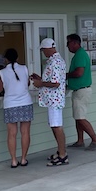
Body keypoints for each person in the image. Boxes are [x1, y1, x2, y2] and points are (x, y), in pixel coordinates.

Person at [30, 38, 68, 166]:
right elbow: (53, 80)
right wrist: (40, 79)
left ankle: (63, 155)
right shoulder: (55, 61)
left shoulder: (55, 62)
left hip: (55, 100)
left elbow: (56, 83)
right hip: (52, 99)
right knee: (54, 125)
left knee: (57, 126)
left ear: (48, 49)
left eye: (43, 50)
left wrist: (40, 83)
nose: (43, 52)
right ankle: (60, 151)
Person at [65, 33, 96, 150]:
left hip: (81, 91)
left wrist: (64, 75)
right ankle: (80, 140)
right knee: (78, 117)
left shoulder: (80, 55)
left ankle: (95, 139)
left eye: (68, 43)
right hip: (78, 90)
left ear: (75, 43)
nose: (67, 46)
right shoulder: (79, 55)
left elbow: (79, 73)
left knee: (80, 117)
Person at [0, 48, 32, 167]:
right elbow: (27, 84)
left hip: (10, 104)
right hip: (25, 103)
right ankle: (23, 159)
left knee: (12, 133)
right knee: (25, 132)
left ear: (5, 59)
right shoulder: (24, 68)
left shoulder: (2, 72)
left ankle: (13, 160)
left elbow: (0, 89)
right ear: (17, 58)